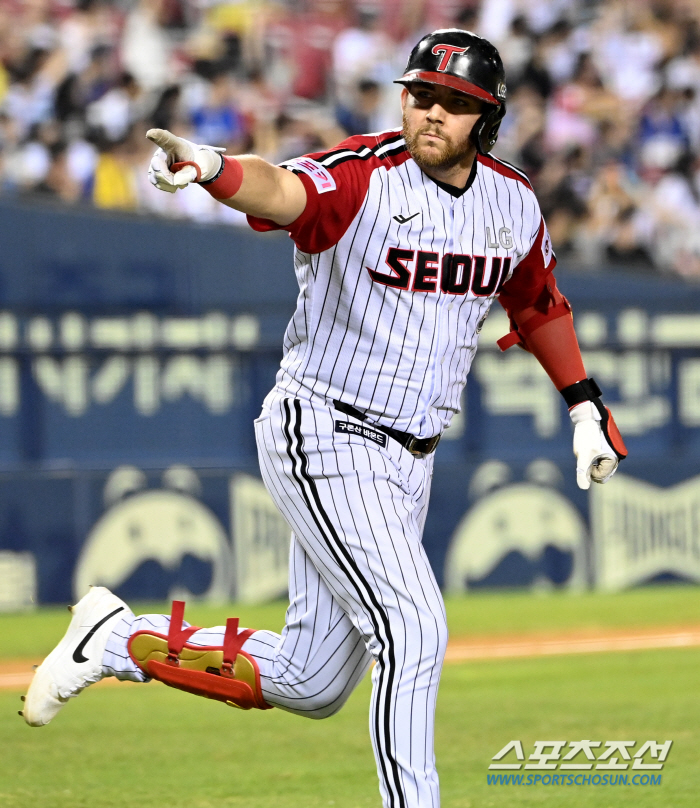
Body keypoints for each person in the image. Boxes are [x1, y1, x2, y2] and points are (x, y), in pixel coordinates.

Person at [20, 29, 627, 808]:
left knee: (311, 680)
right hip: (326, 426)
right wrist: (215, 170)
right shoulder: (366, 176)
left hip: (410, 459)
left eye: (455, 102)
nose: (433, 112)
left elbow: (537, 300)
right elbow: (283, 191)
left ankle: (116, 639)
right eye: (421, 95)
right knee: (413, 627)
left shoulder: (510, 200)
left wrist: (583, 403)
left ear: (488, 115)